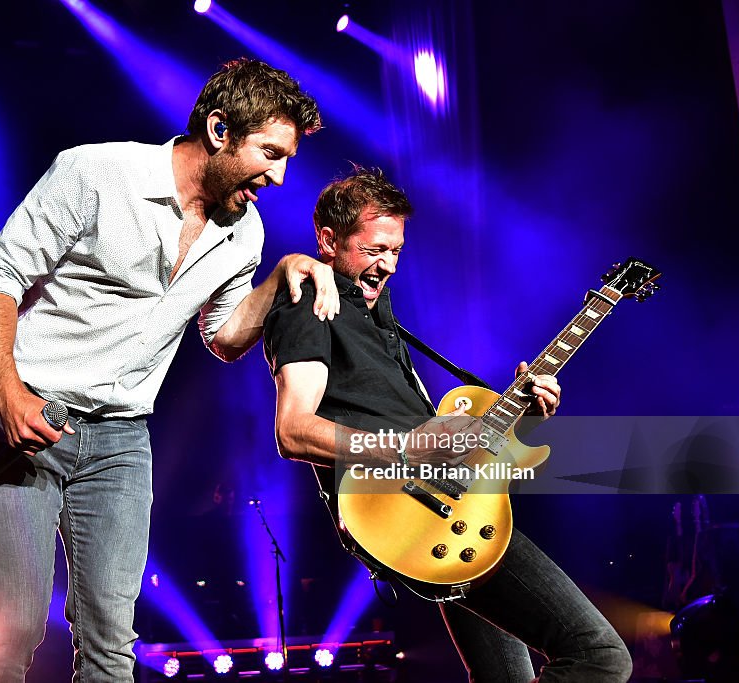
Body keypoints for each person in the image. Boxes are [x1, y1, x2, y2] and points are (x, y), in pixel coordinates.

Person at [0, 58, 330, 682]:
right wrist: (8, 394)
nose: (279, 175)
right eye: (270, 153)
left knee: (111, 642)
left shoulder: (245, 233)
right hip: (29, 418)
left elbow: (222, 338)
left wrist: (278, 278)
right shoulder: (96, 173)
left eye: (287, 158)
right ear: (219, 130)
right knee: (13, 628)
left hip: (121, 441)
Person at [262, 168, 633, 681]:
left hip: (450, 507)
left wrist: (522, 410)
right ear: (328, 240)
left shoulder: (379, 313)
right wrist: (407, 450)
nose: (388, 265)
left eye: (396, 250)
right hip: (403, 509)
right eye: (374, 250)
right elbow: (293, 430)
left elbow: (430, 435)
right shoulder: (310, 307)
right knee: (601, 655)